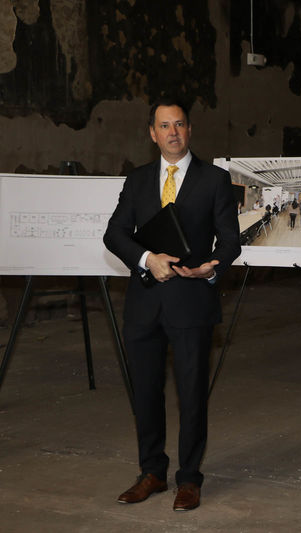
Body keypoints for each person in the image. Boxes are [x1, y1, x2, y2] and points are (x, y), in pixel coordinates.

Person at [103, 97, 241, 512]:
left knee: (192, 393)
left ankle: (189, 479)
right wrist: (148, 259)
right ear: (152, 133)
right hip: (144, 303)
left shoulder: (215, 179)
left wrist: (211, 269)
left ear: (189, 130)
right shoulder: (138, 180)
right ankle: (152, 473)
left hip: (192, 301)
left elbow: (231, 240)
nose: (173, 133)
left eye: (179, 124)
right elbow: (115, 234)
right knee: (145, 392)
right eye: (164, 126)